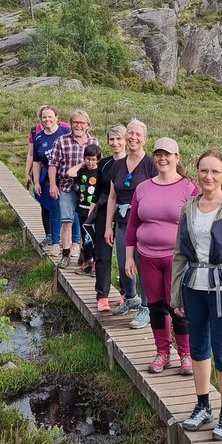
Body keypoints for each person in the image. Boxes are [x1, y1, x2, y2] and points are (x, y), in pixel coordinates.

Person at [172, 151, 222, 435]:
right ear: (197, 172)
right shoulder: (189, 206)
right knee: (198, 347)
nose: (208, 177)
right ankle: (203, 405)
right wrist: (176, 295)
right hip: (193, 286)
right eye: (203, 171)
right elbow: (179, 253)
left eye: (214, 171)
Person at [124, 138, 198, 374]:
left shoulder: (189, 188)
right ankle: (162, 352)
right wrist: (128, 257)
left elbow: (201, 221)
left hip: (178, 260)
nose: (162, 158)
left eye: (168, 154)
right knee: (156, 307)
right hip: (148, 258)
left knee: (178, 307)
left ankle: (186, 355)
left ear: (177, 157)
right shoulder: (143, 188)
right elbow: (133, 225)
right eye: (158, 154)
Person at [105, 119, 155, 329]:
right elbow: (112, 197)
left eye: (138, 134)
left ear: (145, 139)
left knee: (141, 264)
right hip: (122, 220)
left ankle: (146, 306)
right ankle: (130, 297)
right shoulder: (117, 165)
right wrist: (108, 226)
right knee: (124, 261)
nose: (133, 137)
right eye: (130, 133)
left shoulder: (150, 164)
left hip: (143, 222)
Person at [48, 110, 98, 267]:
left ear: (88, 125)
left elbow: (99, 166)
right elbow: (53, 165)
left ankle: (86, 254)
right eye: (76, 122)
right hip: (67, 187)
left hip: (87, 190)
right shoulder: (61, 141)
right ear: (70, 123)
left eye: (82, 122)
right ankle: (66, 254)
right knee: (67, 221)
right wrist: (53, 184)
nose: (79, 125)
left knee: (87, 223)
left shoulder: (94, 142)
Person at [29, 105, 71, 257]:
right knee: (53, 209)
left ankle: (74, 243)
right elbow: (36, 161)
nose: (47, 119)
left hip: (67, 177)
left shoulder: (66, 132)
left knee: (70, 210)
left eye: (50, 116)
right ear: (40, 119)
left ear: (56, 118)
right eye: (44, 117)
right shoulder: (39, 137)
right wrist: (36, 181)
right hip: (48, 176)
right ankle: (55, 242)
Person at [93, 124, 127, 311]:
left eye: (118, 139)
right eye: (111, 139)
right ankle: (102, 296)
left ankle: (126, 294)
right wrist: (89, 219)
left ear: (125, 140)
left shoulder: (132, 163)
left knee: (124, 256)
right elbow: (97, 193)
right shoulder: (104, 164)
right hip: (104, 211)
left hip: (125, 213)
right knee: (103, 254)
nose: (115, 143)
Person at [74, 143, 102, 273]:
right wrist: (81, 164)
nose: (90, 162)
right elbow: (70, 173)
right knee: (84, 236)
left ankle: (96, 263)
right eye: (88, 159)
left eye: (93, 159)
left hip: (94, 210)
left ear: (98, 160)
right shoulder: (83, 170)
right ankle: (87, 261)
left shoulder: (100, 172)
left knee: (94, 237)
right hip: (82, 209)